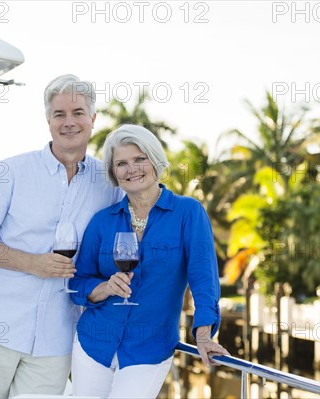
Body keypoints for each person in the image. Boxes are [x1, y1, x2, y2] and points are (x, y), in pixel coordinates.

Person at [0, 74, 124, 398]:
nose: (69, 122)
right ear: (48, 120)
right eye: (59, 114)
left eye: (77, 113)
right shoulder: (12, 171)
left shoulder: (109, 185)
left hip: (56, 337)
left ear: (92, 119)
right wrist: (31, 262)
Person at [69, 124, 228, 398]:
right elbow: (77, 282)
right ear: (113, 172)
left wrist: (203, 335)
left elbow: (204, 280)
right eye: (121, 163)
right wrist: (106, 287)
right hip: (93, 343)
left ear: (154, 160)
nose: (132, 169)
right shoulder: (102, 221)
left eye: (139, 159)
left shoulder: (188, 213)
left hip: (149, 348)